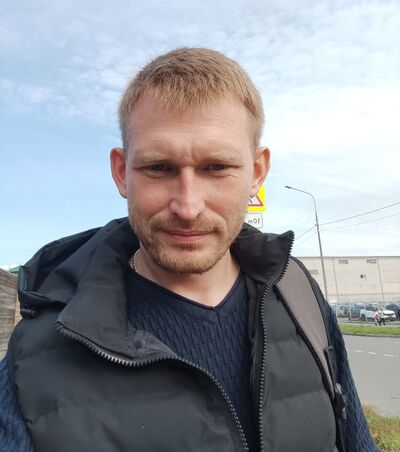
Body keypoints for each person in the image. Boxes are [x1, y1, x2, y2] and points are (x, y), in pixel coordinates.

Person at [0, 48, 378, 451]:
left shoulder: (300, 298)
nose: (188, 206)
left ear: (256, 173)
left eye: (216, 167)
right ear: (121, 172)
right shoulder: (34, 360)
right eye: (159, 168)